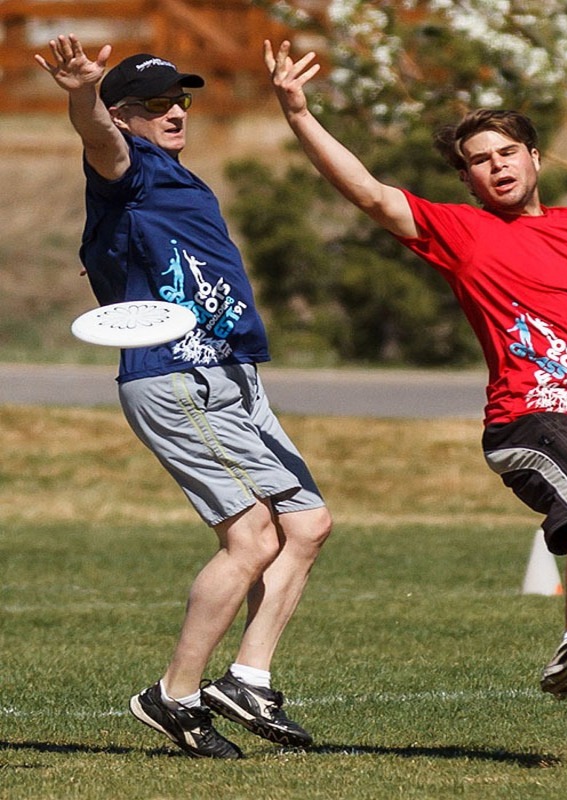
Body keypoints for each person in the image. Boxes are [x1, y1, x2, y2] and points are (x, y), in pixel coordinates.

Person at [264, 40, 567, 763]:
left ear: (534, 157)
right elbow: (367, 191)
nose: (498, 165)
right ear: (468, 177)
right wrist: (299, 113)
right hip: (529, 421)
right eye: (481, 159)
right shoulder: (460, 231)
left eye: (508, 151)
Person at [35, 35, 332, 760]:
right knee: (252, 537)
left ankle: (248, 679)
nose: (174, 113)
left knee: (307, 524)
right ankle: (173, 694)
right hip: (176, 372)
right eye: (155, 103)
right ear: (125, 115)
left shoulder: (178, 177)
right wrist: (84, 91)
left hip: (231, 371)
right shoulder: (125, 171)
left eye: (180, 100)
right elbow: (98, 137)